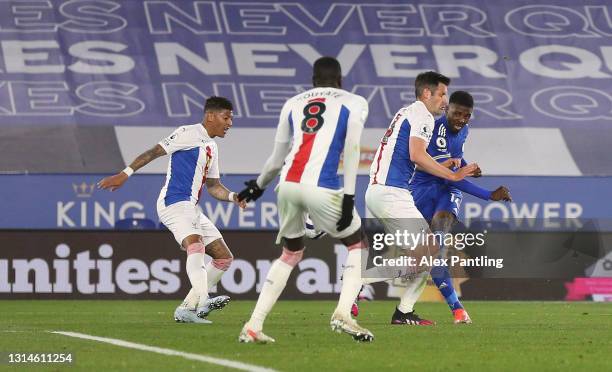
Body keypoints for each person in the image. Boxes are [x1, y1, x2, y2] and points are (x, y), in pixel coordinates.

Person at [237, 57, 372, 343]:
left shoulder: (292, 103)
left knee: (291, 253)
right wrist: (349, 196)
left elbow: (276, 159)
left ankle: (253, 325)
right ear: (340, 80)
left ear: (312, 81)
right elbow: (352, 148)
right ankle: (344, 313)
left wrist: (258, 186)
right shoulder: (354, 101)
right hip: (321, 186)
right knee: (358, 244)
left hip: (286, 185)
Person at [97, 96, 245, 324]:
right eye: (226, 117)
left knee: (223, 258)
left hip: (191, 208)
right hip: (174, 202)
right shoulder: (187, 133)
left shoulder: (212, 147)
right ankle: (204, 299)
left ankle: (187, 309)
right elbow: (152, 152)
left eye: (231, 119)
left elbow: (214, 187)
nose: (230, 124)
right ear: (210, 116)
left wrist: (234, 196)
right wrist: (124, 174)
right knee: (195, 245)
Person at [363, 71, 478, 325]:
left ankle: (403, 312)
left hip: (380, 191)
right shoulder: (423, 116)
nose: (445, 101)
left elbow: (419, 158)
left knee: (427, 256)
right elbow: (417, 155)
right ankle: (361, 281)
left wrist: (446, 165)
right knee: (430, 252)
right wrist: (453, 175)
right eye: (442, 94)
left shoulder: (407, 112)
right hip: (392, 192)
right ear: (427, 93)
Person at [400, 90, 512, 324]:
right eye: (457, 113)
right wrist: (487, 194)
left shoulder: (464, 131)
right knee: (426, 257)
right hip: (421, 191)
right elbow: (431, 167)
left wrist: (468, 171)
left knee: (440, 231)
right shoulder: (433, 128)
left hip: (447, 190)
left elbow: (454, 172)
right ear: (446, 109)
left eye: (467, 115)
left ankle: (458, 310)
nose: (461, 119)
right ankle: (361, 292)